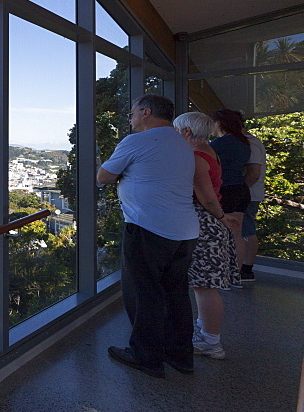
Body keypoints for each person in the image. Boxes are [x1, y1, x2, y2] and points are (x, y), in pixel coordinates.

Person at [98, 94, 199, 377]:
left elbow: (103, 176)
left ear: (146, 112)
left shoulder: (137, 141)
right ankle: (180, 355)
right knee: (176, 293)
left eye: (132, 114)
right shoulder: (182, 142)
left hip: (148, 227)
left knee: (144, 293)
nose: (130, 119)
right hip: (185, 230)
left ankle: (146, 356)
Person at [174, 112, 238, 360]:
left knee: (204, 285)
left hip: (205, 224)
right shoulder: (210, 152)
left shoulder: (196, 157)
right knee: (205, 285)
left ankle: (211, 341)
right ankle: (205, 332)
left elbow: (207, 197)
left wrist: (221, 217)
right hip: (211, 223)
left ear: (186, 132)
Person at [209, 109, 252, 285]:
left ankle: (220, 275)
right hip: (241, 189)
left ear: (219, 123)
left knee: (219, 234)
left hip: (224, 189)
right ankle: (235, 275)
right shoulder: (244, 143)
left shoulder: (217, 144)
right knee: (237, 234)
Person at [240, 115, 266, 282]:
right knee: (245, 228)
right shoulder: (251, 141)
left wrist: (241, 190)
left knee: (246, 229)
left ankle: (246, 269)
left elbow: (254, 173)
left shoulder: (250, 142)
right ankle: (244, 267)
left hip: (249, 194)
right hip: (249, 193)